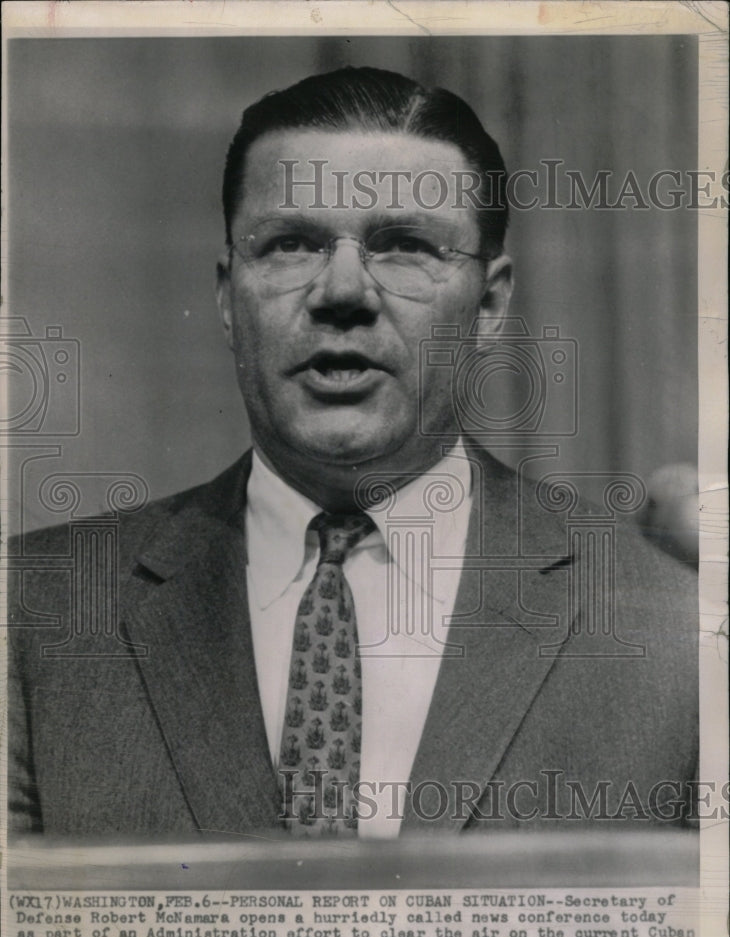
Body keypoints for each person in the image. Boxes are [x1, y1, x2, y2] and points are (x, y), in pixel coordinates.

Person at [7, 67, 697, 839]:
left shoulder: (677, 624)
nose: (342, 291)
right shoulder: (30, 617)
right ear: (229, 296)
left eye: (403, 246)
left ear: (491, 304)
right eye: (291, 244)